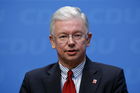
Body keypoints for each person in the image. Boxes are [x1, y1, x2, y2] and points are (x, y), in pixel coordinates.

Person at [20, 6, 128, 93]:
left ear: (88, 39)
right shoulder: (33, 80)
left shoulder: (112, 78)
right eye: (63, 36)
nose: (71, 42)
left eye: (77, 35)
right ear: (52, 41)